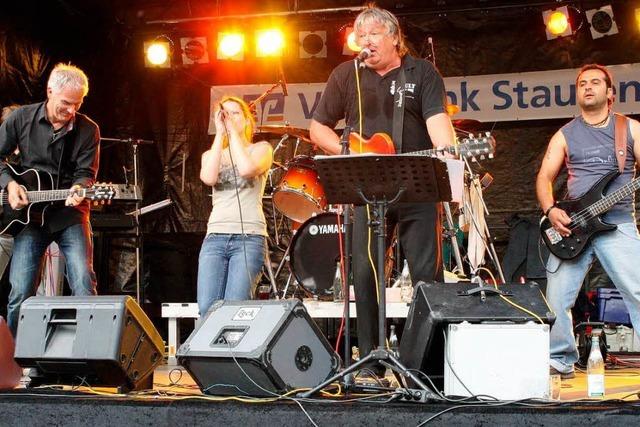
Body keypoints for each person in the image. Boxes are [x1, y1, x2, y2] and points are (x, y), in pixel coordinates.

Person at [310, 5, 455, 374]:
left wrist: (448, 154)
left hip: (416, 184)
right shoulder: (347, 75)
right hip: (366, 186)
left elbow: (438, 122)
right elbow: (318, 128)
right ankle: (370, 363)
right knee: (364, 272)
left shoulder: (420, 72)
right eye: (362, 36)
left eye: (374, 34)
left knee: (425, 272)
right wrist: (348, 150)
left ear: (394, 37)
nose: (367, 41)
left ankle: (425, 363)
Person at [536, 64, 640, 379]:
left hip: (617, 223)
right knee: (556, 298)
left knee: (638, 291)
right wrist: (551, 209)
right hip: (574, 226)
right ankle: (559, 360)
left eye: (595, 82)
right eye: (582, 83)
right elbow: (544, 176)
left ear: (610, 93)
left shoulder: (630, 129)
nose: (588, 87)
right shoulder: (565, 133)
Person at [0, 63, 100, 337]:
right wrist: (9, 185)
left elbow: (85, 173)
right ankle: (13, 362)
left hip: (70, 215)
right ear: (50, 91)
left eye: (77, 104)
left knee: (82, 280)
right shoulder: (21, 118)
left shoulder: (88, 129)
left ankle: (90, 354)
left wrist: (80, 188)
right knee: (20, 290)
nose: (71, 111)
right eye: (66, 103)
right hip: (29, 219)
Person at [197, 96, 273, 316]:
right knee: (206, 307)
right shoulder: (210, 154)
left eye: (235, 113)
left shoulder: (261, 149)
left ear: (248, 121)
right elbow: (208, 178)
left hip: (249, 237)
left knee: (235, 307)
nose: (229, 117)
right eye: (225, 113)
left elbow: (247, 170)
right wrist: (221, 134)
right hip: (215, 237)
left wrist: (233, 133)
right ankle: (210, 352)